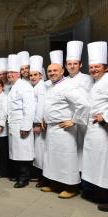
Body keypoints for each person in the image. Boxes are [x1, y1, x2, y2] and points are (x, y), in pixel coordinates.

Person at [42, 57, 90, 199]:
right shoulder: (51, 86)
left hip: (64, 129)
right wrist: (44, 118)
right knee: (54, 158)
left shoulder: (68, 85)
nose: (52, 73)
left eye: (55, 70)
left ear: (63, 71)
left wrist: (74, 121)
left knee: (66, 158)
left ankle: (72, 187)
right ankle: (57, 184)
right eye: (49, 71)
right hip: (52, 128)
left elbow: (84, 104)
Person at [81, 41, 108, 211]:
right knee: (95, 162)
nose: (93, 70)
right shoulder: (95, 82)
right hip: (92, 129)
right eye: (91, 67)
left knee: (104, 163)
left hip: (103, 129)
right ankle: (97, 193)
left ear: (105, 67)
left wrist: (104, 117)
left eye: (97, 67)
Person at [7, 54, 35, 188]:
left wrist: (25, 126)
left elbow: (29, 108)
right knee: (16, 151)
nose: (10, 74)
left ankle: (24, 178)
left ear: (18, 74)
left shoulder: (25, 86)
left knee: (23, 152)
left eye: (12, 72)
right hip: (13, 124)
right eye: (9, 72)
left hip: (21, 124)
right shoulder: (13, 87)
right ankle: (19, 175)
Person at [65, 41, 93, 171]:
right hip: (66, 121)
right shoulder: (64, 80)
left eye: (75, 63)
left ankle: (80, 181)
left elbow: (87, 102)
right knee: (68, 152)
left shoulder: (87, 79)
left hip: (80, 121)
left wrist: (75, 119)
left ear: (80, 65)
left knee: (81, 151)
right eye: (69, 64)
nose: (72, 66)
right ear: (65, 66)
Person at [29, 55, 47, 187]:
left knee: (41, 151)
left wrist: (36, 123)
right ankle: (39, 174)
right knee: (37, 150)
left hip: (39, 124)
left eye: (35, 74)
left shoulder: (41, 87)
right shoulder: (34, 87)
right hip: (34, 123)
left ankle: (44, 177)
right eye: (31, 75)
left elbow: (41, 106)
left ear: (41, 75)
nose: (33, 77)